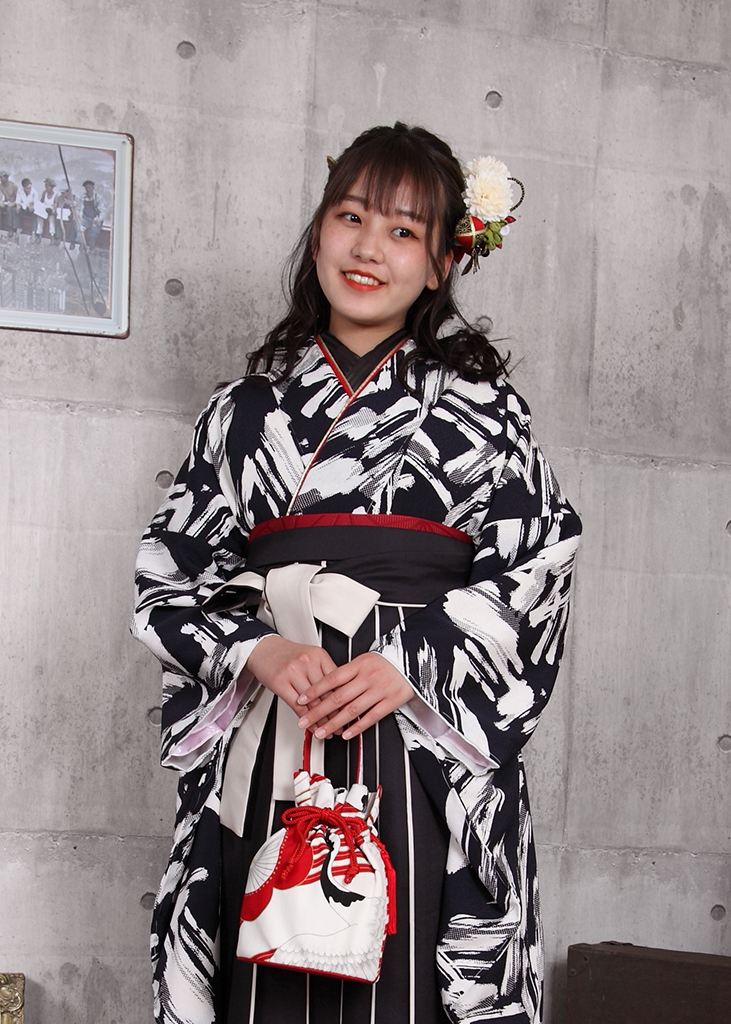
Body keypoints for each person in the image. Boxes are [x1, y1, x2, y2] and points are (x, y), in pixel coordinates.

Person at [132, 122, 581, 1024]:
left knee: (407, 981)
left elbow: (536, 567)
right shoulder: (243, 413)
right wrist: (256, 649)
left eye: (402, 230)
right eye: (350, 217)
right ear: (317, 234)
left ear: (441, 263)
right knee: (265, 971)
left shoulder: (486, 412)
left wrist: (408, 661)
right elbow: (168, 578)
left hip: (418, 742)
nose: (368, 248)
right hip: (276, 729)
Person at [80, 179, 103, 248]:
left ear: (93, 188)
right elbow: (81, 209)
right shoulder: (83, 197)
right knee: (79, 229)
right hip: (85, 218)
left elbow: (102, 211)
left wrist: (99, 219)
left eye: (89, 188)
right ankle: (81, 245)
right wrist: (80, 218)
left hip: (95, 218)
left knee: (94, 232)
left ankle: (91, 248)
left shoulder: (98, 198)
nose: (88, 190)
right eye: (86, 188)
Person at [0, 170, 19, 238]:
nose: (0, 179)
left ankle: (10, 228)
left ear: (6, 177)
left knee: (9, 209)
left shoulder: (13, 186)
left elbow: (18, 198)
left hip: (13, 204)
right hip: (5, 204)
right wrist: (1, 202)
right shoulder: (1, 186)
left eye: (1, 177)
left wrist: (13, 203)